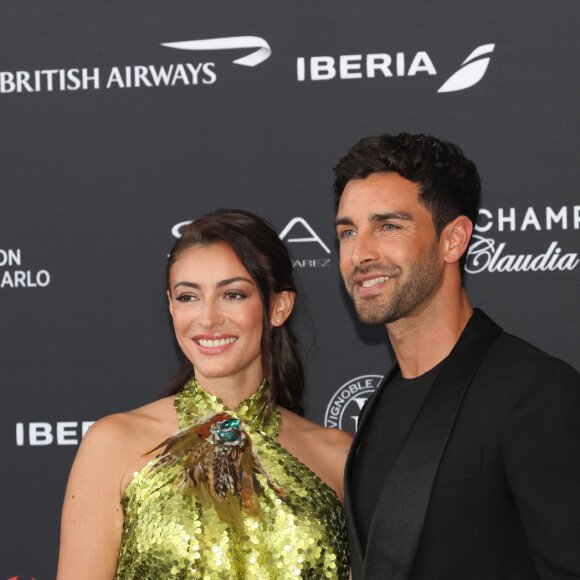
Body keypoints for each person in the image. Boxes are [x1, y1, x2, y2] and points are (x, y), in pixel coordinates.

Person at [333, 133, 580, 580]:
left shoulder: (534, 390)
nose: (359, 253)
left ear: (454, 239)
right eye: (348, 230)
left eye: (387, 225)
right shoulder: (382, 402)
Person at [57, 209, 352, 579]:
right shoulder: (112, 445)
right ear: (170, 306)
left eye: (232, 294)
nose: (208, 318)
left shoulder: (338, 457)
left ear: (278, 306)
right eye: (188, 297)